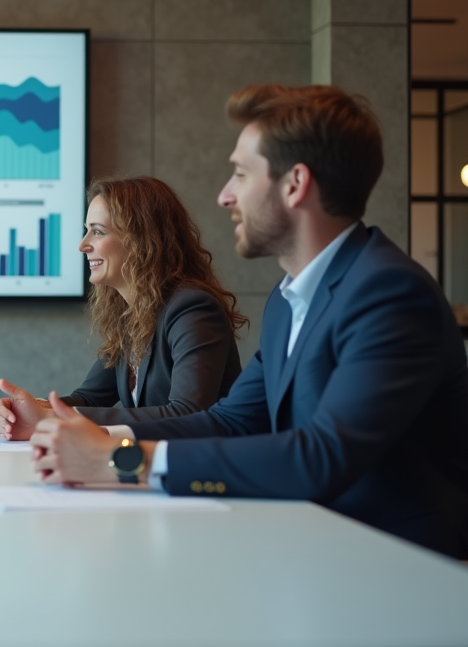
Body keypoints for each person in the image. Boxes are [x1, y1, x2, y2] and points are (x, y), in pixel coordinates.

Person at [30, 84, 468, 558]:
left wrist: (119, 460)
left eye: (240, 173)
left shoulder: (388, 293)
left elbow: (320, 457)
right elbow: (231, 421)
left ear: (295, 184)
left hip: (399, 568)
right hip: (315, 546)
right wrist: (92, 438)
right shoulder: (288, 300)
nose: (224, 196)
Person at [0, 177, 245, 439]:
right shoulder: (131, 313)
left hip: (201, 469)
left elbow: (188, 412)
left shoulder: (191, 308)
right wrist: (28, 410)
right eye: (86, 230)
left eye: (98, 232)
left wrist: (53, 417)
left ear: (141, 240)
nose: (83, 245)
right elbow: (89, 398)